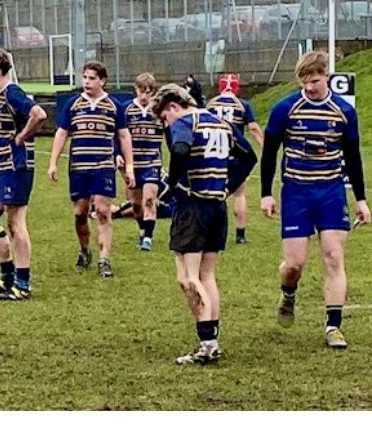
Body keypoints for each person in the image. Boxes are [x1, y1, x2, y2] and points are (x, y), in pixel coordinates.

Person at [260, 51, 370, 349]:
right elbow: (269, 152)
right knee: (294, 264)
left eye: (315, 81)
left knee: (334, 257)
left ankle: (334, 326)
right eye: (304, 82)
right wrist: (266, 193)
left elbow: (353, 156)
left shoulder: (343, 112)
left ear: (327, 77)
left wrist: (360, 199)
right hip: (296, 191)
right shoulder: (286, 109)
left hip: (331, 191)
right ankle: (288, 293)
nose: (309, 87)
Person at [151, 83, 256, 365]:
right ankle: (211, 339)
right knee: (207, 276)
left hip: (192, 206)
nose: (166, 126)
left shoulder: (185, 121)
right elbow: (249, 156)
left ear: (173, 106)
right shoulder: (221, 122)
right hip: (216, 206)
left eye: (163, 119)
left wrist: (171, 183)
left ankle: (207, 343)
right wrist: (228, 186)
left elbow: (182, 147)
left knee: (188, 278)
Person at [47, 61, 134, 277]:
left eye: (92, 78)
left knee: (103, 211)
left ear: (102, 81)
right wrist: (52, 163)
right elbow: (61, 133)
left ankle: (104, 259)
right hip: (79, 167)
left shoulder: (114, 106)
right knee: (80, 213)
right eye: (85, 77)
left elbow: (124, 135)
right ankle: (85, 249)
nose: (87, 82)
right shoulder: (73, 105)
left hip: (103, 167)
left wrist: (129, 166)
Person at [0, 49, 47, 300]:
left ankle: (23, 284)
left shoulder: (12, 93)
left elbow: (39, 114)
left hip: (15, 167)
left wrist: (23, 136)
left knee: (16, 223)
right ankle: (7, 277)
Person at [206, 74, 265, 243]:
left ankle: (211, 231)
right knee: (239, 194)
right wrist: (265, 146)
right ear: (236, 88)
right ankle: (240, 234)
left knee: (213, 193)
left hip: (215, 155)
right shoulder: (242, 105)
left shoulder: (210, 104)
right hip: (236, 156)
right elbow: (253, 128)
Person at [121, 72, 164, 251]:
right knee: (136, 204)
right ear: (135, 90)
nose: (144, 96)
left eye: (148, 92)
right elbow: (119, 135)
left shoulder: (159, 111)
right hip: (132, 163)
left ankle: (148, 238)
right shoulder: (126, 109)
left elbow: (168, 134)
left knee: (149, 199)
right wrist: (118, 155)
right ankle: (142, 228)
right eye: (141, 91)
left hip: (152, 160)